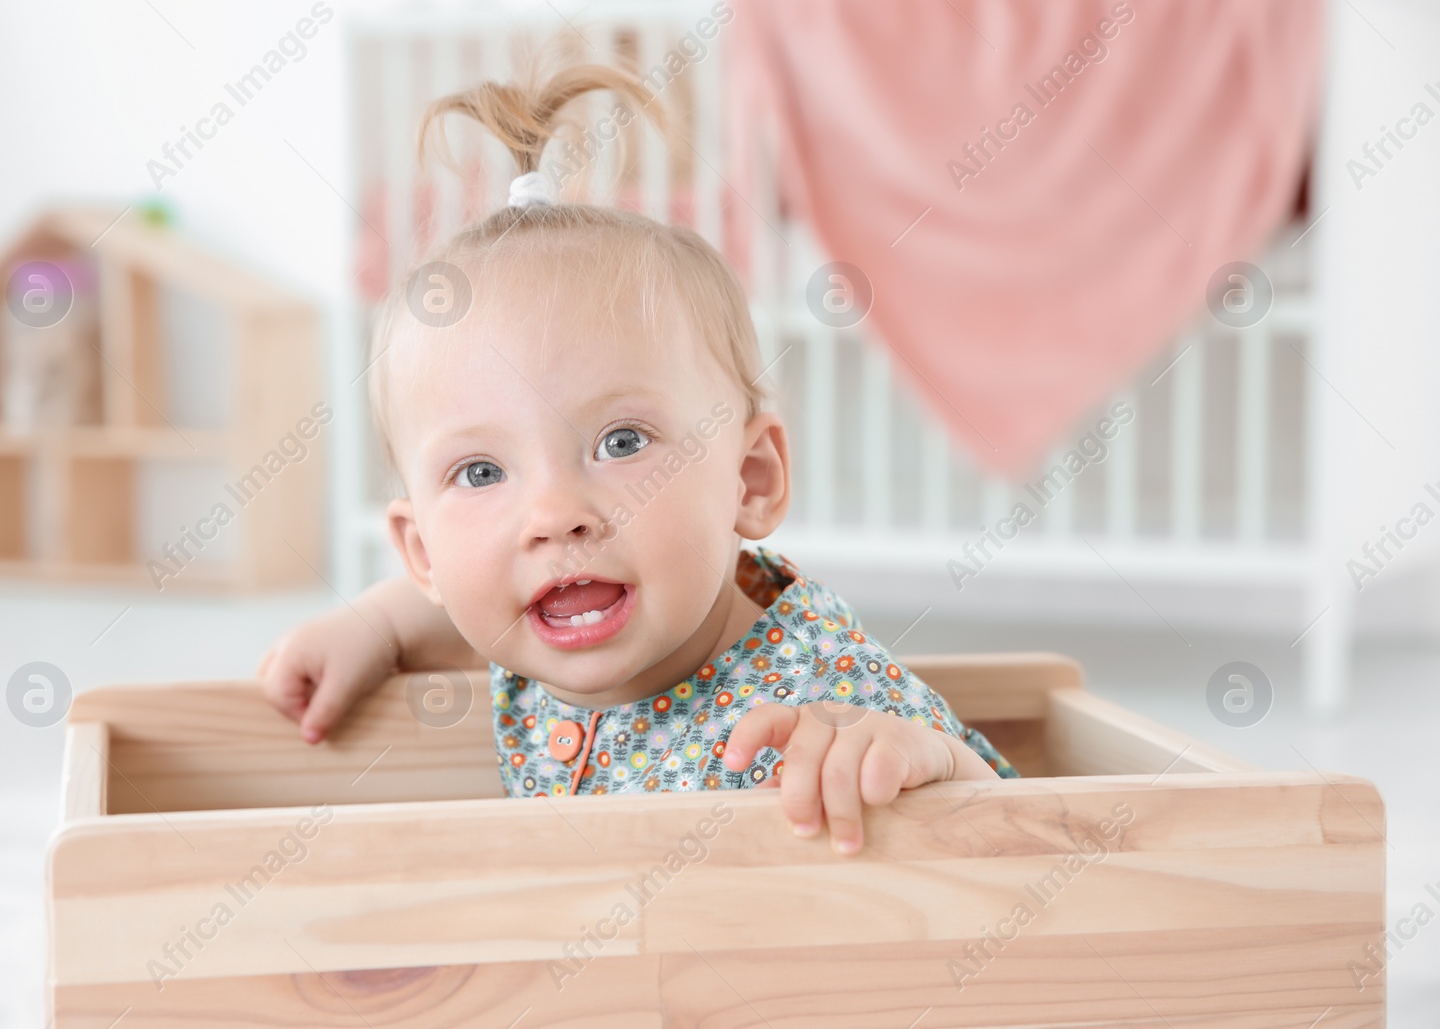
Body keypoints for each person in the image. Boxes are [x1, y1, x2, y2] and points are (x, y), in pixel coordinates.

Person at [258, 59, 1017, 856]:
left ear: (750, 480)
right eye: (482, 472)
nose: (555, 516)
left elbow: (1037, 837)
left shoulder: (817, 691)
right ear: (422, 553)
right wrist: (375, 624)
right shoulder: (531, 620)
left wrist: (932, 762)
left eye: (621, 443)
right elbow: (461, 596)